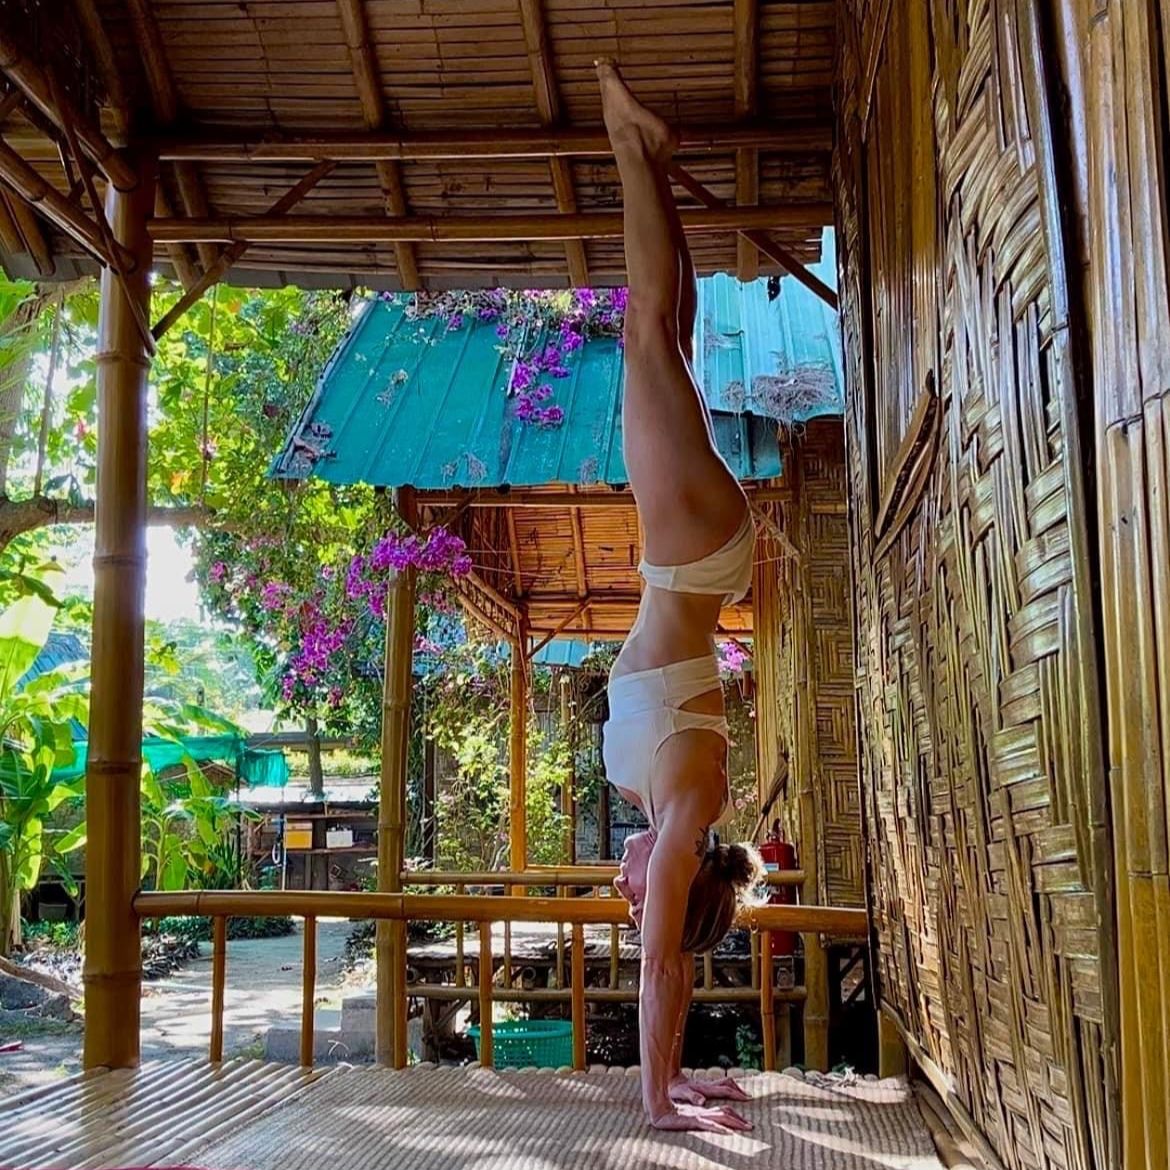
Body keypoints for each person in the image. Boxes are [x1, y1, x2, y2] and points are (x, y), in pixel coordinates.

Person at [596, 60, 766, 1135]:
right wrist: (659, 1102)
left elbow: (677, 964)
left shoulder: (673, 810)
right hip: (692, 556)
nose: (622, 888)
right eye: (637, 898)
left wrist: (686, 1073)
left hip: (695, 559)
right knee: (646, 333)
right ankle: (630, 141)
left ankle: (647, 157)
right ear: (675, 883)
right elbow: (663, 967)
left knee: (668, 341)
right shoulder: (688, 816)